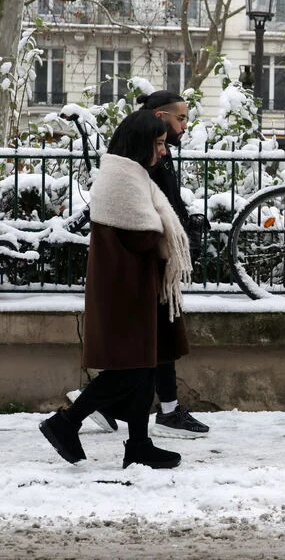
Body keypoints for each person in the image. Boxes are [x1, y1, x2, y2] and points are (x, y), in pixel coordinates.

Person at [40, 110, 189, 469]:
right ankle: (66, 423)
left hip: (134, 286)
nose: (164, 152)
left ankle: (139, 444)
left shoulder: (129, 174)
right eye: (158, 144)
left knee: (145, 367)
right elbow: (143, 236)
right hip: (125, 290)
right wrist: (162, 234)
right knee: (131, 369)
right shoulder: (123, 178)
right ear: (140, 143)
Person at [67, 90, 210, 439]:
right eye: (180, 119)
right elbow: (143, 227)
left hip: (144, 277)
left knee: (148, 358)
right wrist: (170, 239)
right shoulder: (131, 169)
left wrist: (181, 227)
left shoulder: (146, 159)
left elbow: (162, 208)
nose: (184, 127)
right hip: (133, 280)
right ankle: (76, 420)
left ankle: (142, 437)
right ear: (158, 121)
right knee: (139, 363)